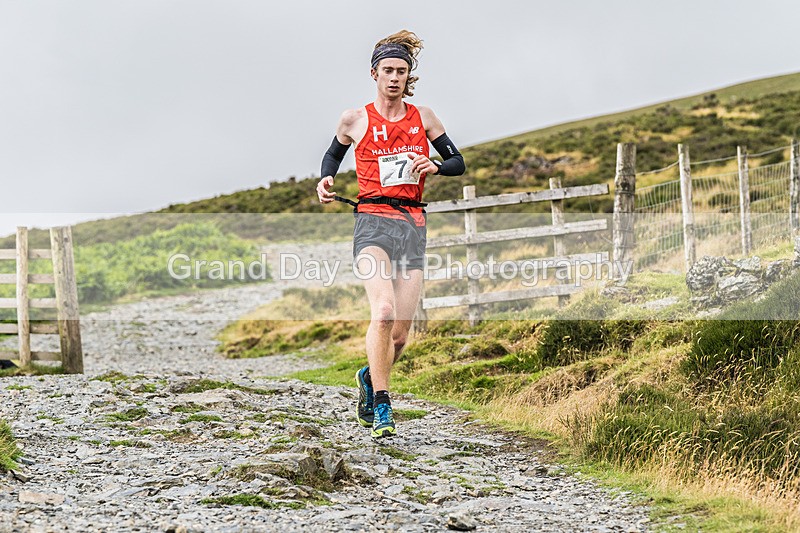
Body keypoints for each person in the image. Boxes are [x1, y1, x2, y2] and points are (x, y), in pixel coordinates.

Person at [316, 30, 465, 438]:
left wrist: (435, 166)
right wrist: (326, 178)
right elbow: (334, 152)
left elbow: (458, 162)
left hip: (413, 226)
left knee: (398, 337)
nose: (395, 77)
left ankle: (370, 374)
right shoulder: (355, 119)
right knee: (381, 313)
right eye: (388, 70)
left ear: (408, 75)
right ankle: (382, 406)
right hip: (372, 223)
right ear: (374, 73)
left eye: (402, 70)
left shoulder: (425, 118)